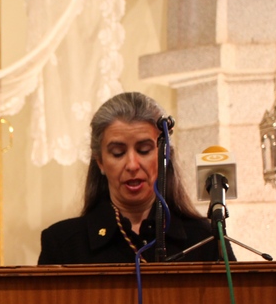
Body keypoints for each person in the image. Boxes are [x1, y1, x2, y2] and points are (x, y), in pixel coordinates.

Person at [38, 91, 229, 264]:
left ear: (165, 156)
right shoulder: (63, 243)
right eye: (118, 153)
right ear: (100, 162)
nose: (132, 165)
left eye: (144, 150)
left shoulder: (205, 238)